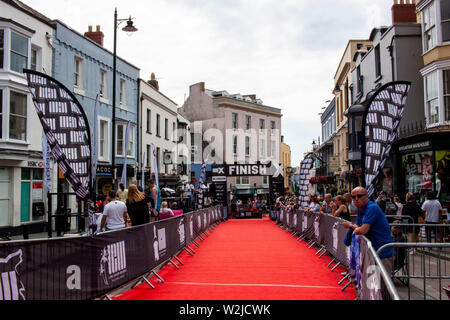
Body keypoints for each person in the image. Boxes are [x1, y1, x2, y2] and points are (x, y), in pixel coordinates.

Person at [341, 187, 395, 274]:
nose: (356, 199)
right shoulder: (360, 208)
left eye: (359, 196)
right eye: (354, 197)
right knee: (371, 284)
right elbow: (358, 226)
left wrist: (350, 225)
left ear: (366, 196)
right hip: (372, 252)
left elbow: (362, 230)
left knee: (381, 285)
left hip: (382, 253)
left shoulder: (372, 207)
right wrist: (352, 230)